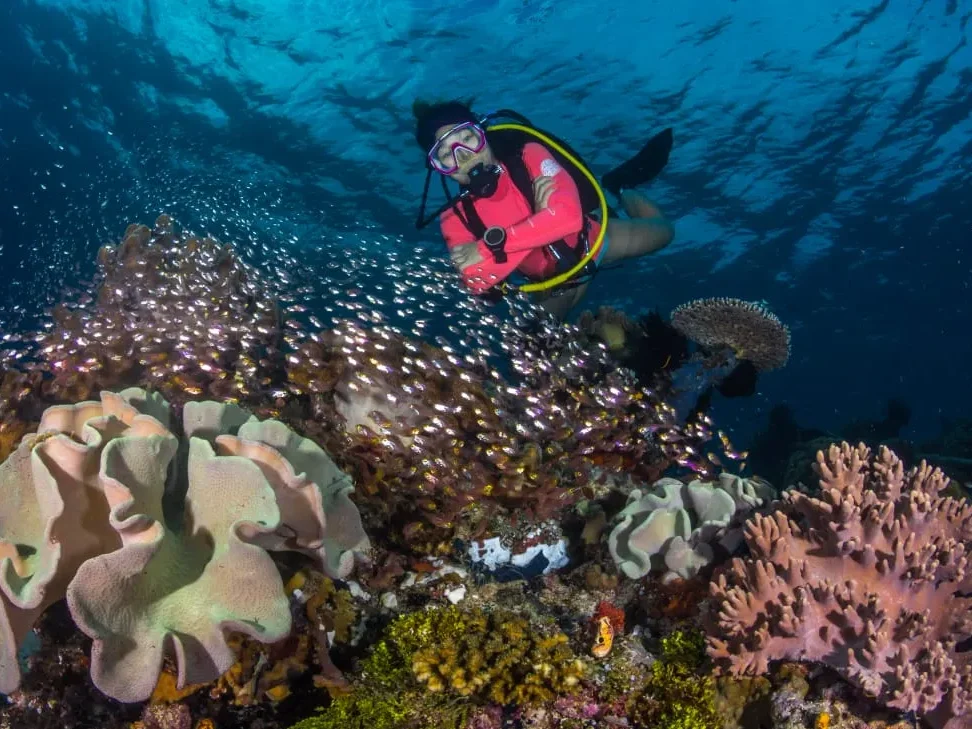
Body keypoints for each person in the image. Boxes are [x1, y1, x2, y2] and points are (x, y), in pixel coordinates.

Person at [413, 100, 676, 320]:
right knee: (532, 344)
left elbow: (569, 218)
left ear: (483, 135)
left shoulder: (529, 155)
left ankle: (618, 187)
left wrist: (486, 249)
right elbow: (477, 282)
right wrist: (540, 221)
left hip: (596, 242)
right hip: (552, 285)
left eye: (467, 138)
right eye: (446, 154)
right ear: (437, 167)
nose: (464, 155)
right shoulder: (454, 217)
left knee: (665, 232)